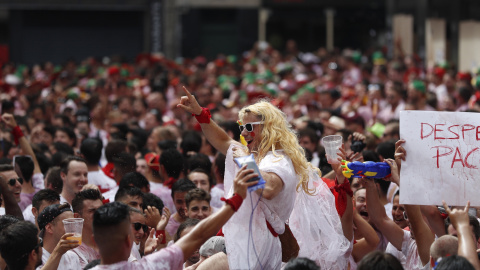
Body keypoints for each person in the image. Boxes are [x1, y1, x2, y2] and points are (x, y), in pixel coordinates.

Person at [178, 87, 349, 269]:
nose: (243, 133)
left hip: (259, 245)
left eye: (249, 127)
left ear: (269, 128)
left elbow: (269, 189)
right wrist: (200, 114)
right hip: (245, 242)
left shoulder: (278, 160)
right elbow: (224, 141)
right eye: (242, 127)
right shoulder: (252, 156)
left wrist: (245, 162)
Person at [89, 164, 259, 269]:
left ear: (95, 240)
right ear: (128, 240)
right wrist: (237, 198)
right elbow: (198, 235)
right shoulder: (151, 266)